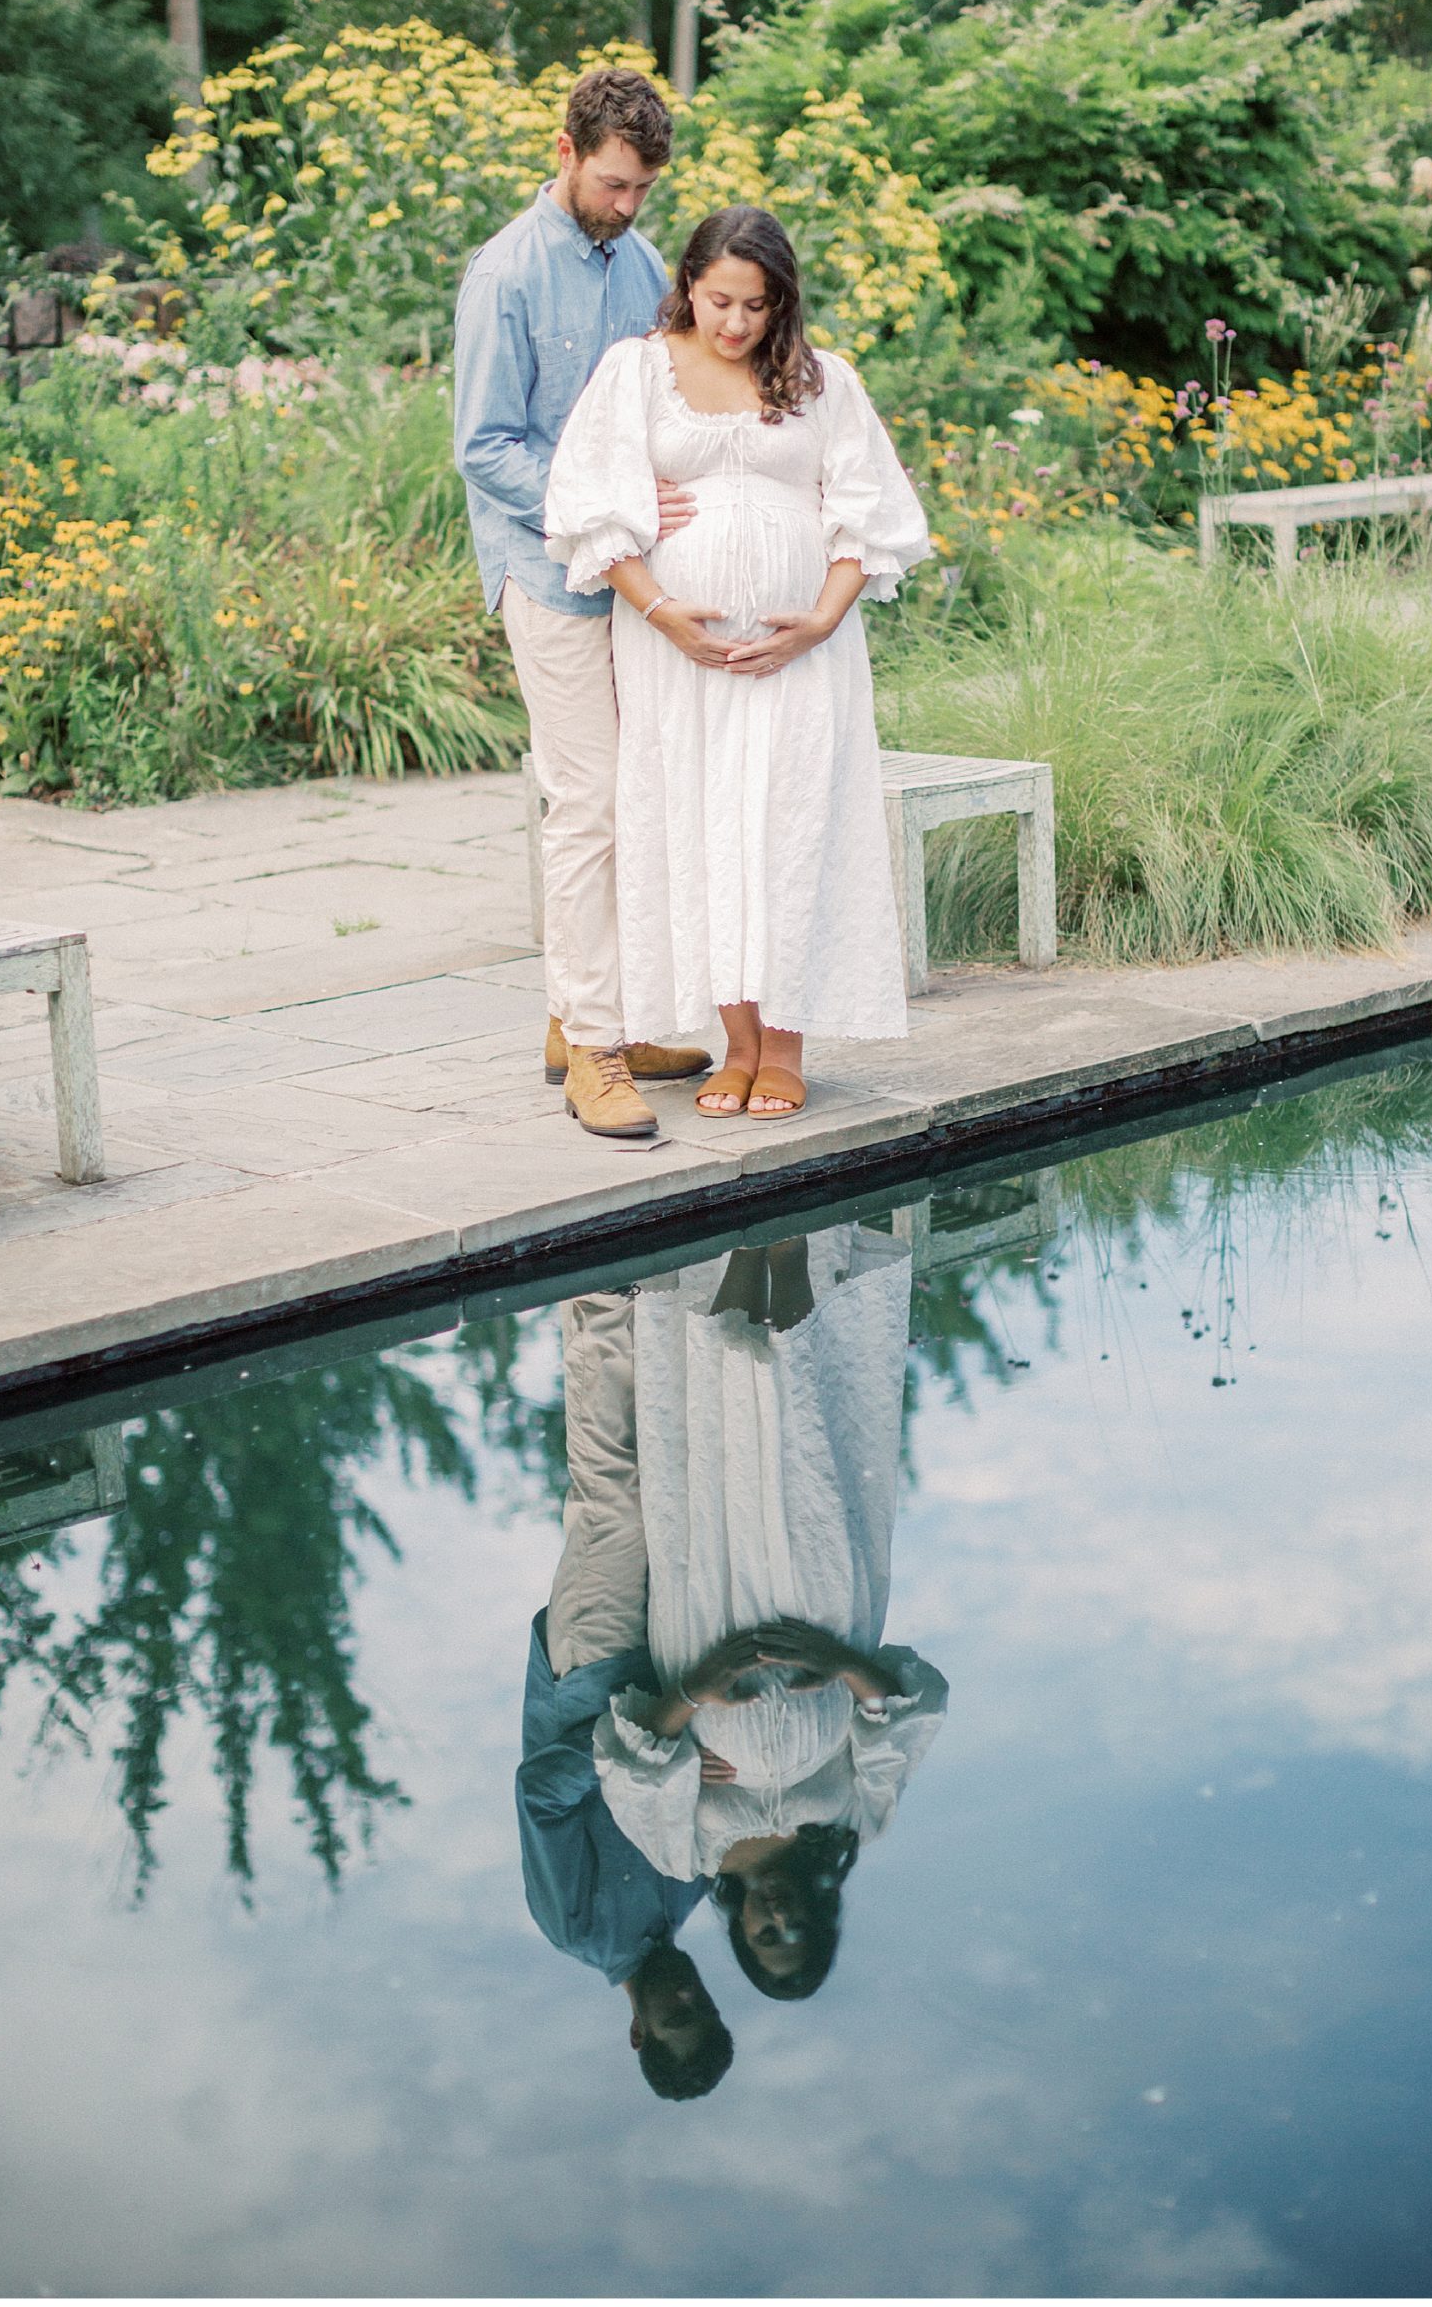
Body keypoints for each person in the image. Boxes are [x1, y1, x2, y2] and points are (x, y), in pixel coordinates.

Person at [543, 204, 933, 1119]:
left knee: (790, 827)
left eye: (757, 307)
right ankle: (734, 1044)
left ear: (780, 305)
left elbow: (866, 511)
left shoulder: (821, 379)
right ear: (686, 285)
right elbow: (591, 505)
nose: (735, 325)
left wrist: (819, 624)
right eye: (719, 301)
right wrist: (665, 613)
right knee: (702, 827)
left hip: (800, 658)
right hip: (679, 654)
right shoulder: (635, 373)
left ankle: (786, 1048)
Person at [591, 1224, 949, 2000]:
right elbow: (916, 1713)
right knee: (800, 1453)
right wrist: (844, 1665)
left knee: (716, 1453)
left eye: (766, 1939)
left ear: (743, 1932)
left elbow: (624, 1760)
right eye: (800, 1934)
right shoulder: (856, 1823)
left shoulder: (684, 1854)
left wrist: (697, 1689)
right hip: (822, 1617)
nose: (780, 1921)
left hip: (705, 1623)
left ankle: (732, 1238)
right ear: (822, 1920)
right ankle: (787, 1235)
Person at [454, 65, 711, 1140]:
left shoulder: (642, 260)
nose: (627, 205)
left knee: (639, 798)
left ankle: (591, 1011)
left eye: (643, 187)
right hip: (548, 574)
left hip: (635, 579)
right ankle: (593, 1056)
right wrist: (602, 505)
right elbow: (484, 448)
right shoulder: (504, 274)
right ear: (564, 152)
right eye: (612, 183)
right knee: (587, 806)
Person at [515, 1290, 733, 2099]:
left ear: (638, 2031)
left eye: (677, 2017)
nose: (687, 1996)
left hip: (592, 1670)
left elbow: (539, 1795)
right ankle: (671, 1292)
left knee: (613, 1491)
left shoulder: (573, 1930)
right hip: (669, 1649)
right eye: (704, 2007)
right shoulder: (696, 1881)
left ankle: (599, 1293)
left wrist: (639, 1758)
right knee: (679, 1489)